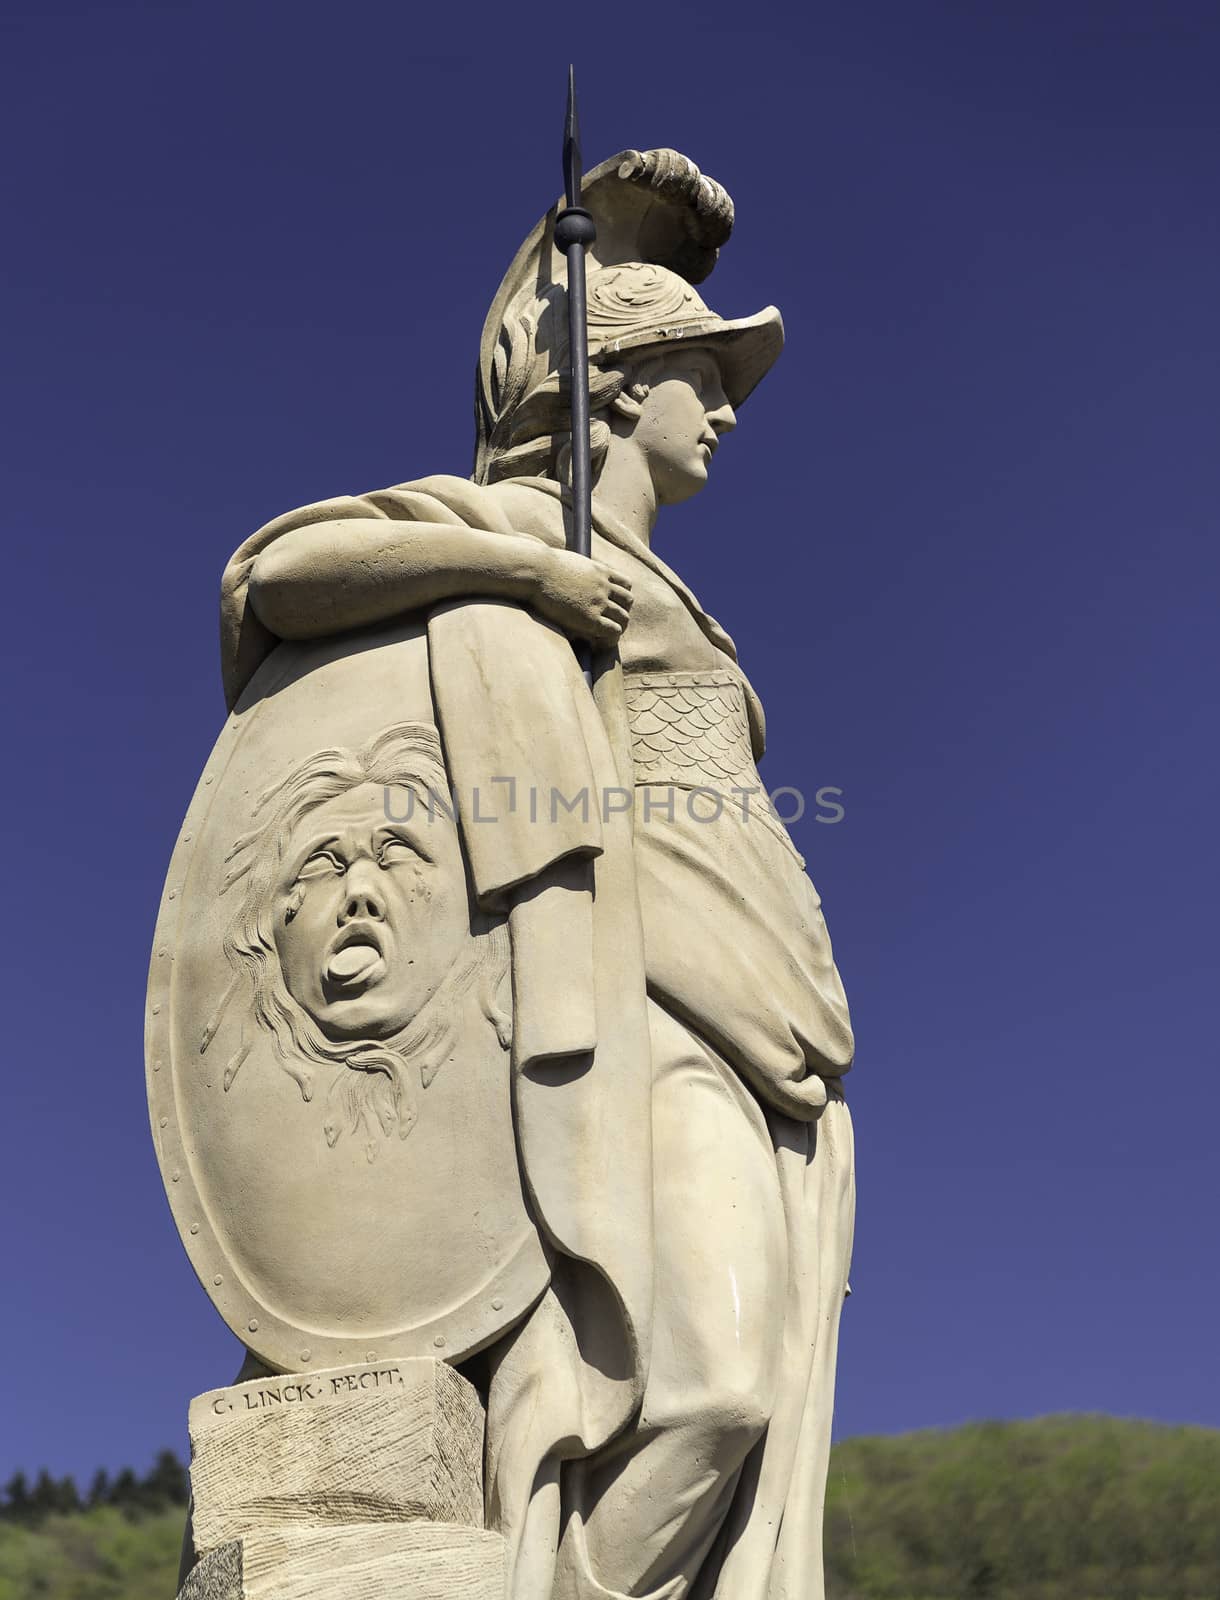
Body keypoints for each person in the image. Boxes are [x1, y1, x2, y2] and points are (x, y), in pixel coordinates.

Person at [219, 160, 856, 1600]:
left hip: (774, 1051)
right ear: (622, 389)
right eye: (706, 372)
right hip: (647, 1018)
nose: (731, 407)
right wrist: (523, 585)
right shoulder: (533, 536)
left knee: (741, 1430)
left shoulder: (673, 585)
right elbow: (281, 573)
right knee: (706, 1391)